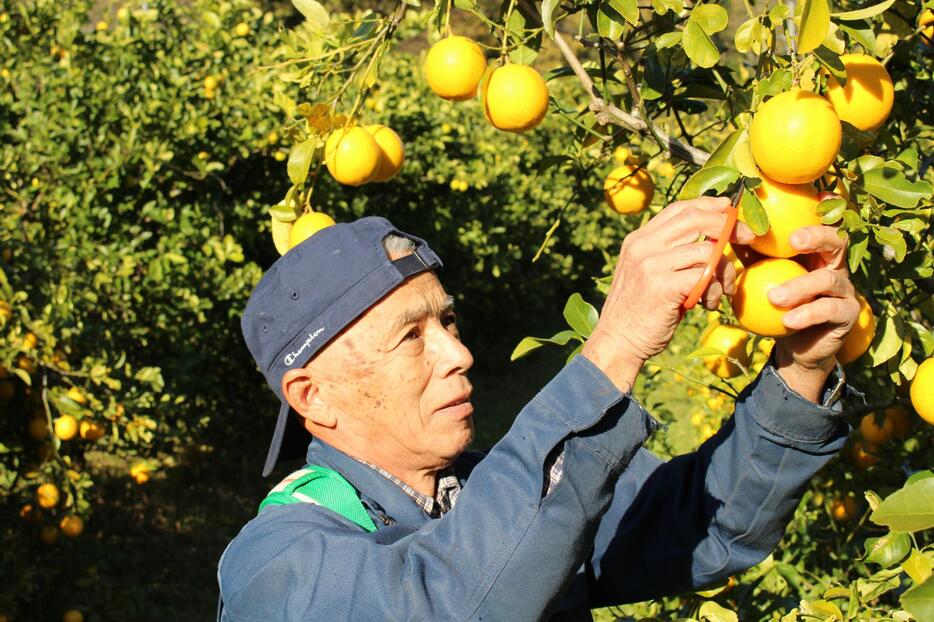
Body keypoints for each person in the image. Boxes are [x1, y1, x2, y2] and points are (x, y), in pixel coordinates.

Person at [217, 197, 859, 621]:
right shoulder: (275, 567)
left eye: (447, 322)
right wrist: (616, 345)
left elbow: (711, 526)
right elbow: (454, 601)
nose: (457, 354)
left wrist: (802, 366)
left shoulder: (485, 489)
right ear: (314, 397)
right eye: (411, 337)